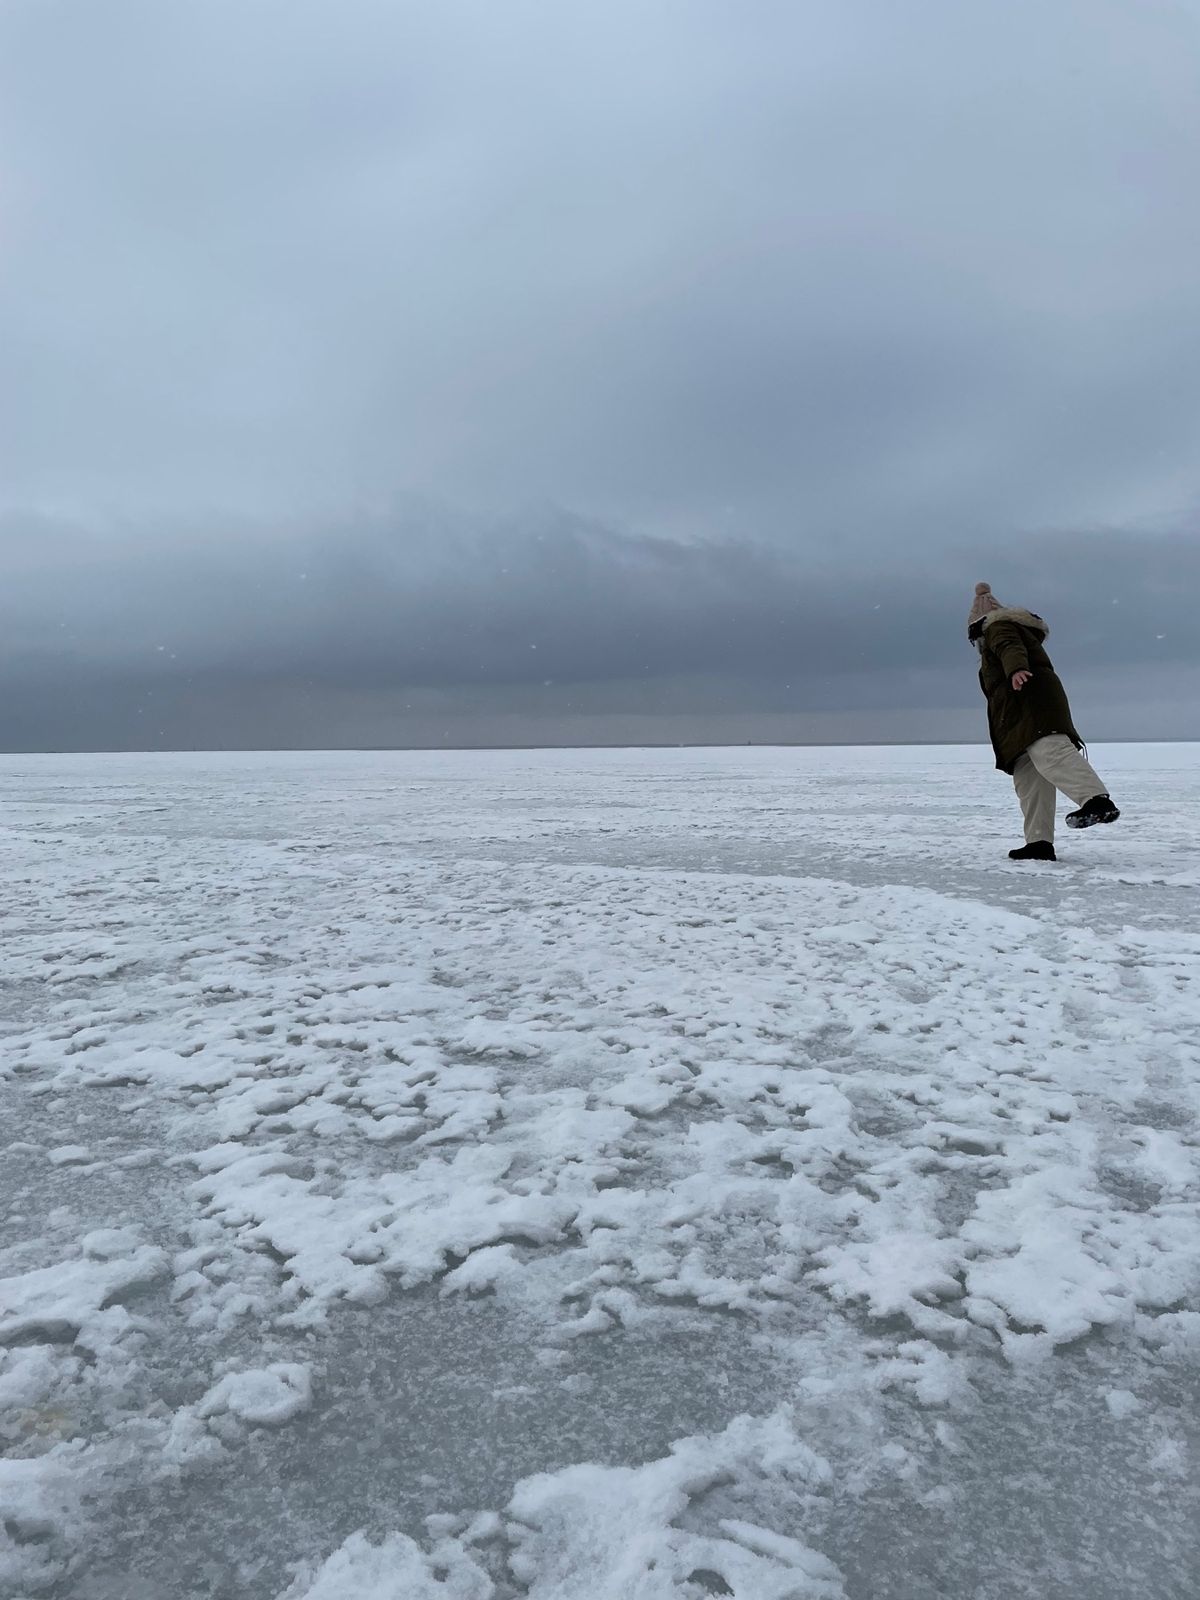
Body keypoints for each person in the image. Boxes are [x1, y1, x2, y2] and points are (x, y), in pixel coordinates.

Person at [967, 582, 1120, 861]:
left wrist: (1017, 669)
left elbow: (1009, 646)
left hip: (1031, 700)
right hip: (1016, 713)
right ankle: (1039, 843)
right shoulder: (1004, 631)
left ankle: (1096, 801)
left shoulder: (996, 627)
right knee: (1030, 777)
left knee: (1050, 750)